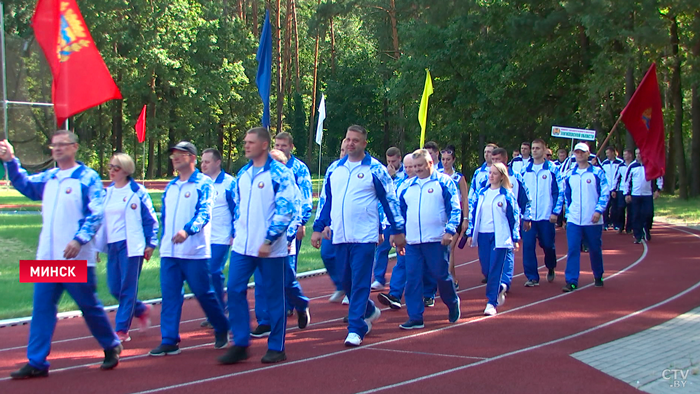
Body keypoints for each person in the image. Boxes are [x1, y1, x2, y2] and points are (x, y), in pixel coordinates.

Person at [1, 132, 122, 378]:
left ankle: (110, 344)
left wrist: (79, 239)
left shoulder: (87, 177)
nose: (56, 149)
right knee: (42, 308)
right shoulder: (51, 177)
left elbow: (97, 214)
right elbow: (24, 184)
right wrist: (11, 160)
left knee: (89, 306)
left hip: (75, 258)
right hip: (46, 256)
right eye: (53, 145)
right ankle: (36, 362)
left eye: (62, 145)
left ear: (74, 147)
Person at [312, 125, 406, 347]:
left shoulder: (376, 170)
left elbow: (390, 201)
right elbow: (327, 200)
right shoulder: (335, 169)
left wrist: (397, 230)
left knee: (360, 281)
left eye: (355, 140)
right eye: (348, 139)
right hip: (340, 235)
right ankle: (369, 310)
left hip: (365, 236)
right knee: (346, 281)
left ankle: (356, 327)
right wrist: (318, 227)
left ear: (364, 143)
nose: (350, 143)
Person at [218, 128, 297, 365]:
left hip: (270, 249)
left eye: (251, 142)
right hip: (243, 246)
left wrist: (269, 239)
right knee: (234, 289)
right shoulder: (243, 174)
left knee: (274, 296)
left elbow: (286, 210)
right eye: (245, 141)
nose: (246, 145)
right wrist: (236, 233)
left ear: (264, 145)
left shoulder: (279, 174)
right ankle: (241, 342)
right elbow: (238, 208)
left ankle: (277, 346)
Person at [150, 141, 229, 356]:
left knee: (204, 293)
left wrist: (187, 231)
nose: (175, 157)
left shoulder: (203, 184)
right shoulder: (171, 186)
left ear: (192, 158)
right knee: (170, 296)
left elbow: (205, 213)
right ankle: (169, 339)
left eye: (181, 154)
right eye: (173, 154)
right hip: (170, 252)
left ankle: (221, 326)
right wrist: (162, 241)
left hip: (194, 251)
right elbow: (165, 218)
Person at [94, 153, 158, 342]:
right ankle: (141, 309)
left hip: (132, 245)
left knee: (128, 287)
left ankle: (122, 329)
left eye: (116, 168)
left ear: (126, 170)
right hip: (112, 245)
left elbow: (150, 219)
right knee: (114, 287)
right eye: (110, 166)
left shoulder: (137, 192)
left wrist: (150, 243)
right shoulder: (108, 192)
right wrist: (97, 246)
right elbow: (100, 221)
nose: (111, 171)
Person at [397, 149, 461, 329]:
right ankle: (415, 316)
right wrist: (399, 234)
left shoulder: (444, 182)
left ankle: (452, 301)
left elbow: (455, 209)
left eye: (420, 166)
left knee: (441, 276)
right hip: (413, 242)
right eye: (414, 166)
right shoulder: (406, 186)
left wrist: (450, 230)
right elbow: (400, 213)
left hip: (436, 240)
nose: (417, 169)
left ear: (430, 164)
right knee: (412, 278)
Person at [250, 149, 310, 339]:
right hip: (260, 244)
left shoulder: (291, 189)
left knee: (284, 283)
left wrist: (289, 239)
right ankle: (265, 321)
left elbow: (294, 216)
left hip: (283, 244)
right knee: (260, 282)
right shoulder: (258, 185)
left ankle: (299, 305)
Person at [377, 154, 437, 310]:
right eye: (408, 167)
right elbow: (397, 210)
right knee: (402, 262)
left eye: (413, 166)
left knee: (428, 264)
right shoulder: (403, 185)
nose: (411, 169)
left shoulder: (437, 182)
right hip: (406, 232)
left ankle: (429, 293)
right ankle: (395, 295)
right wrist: (395, 231)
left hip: (428, 233)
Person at [463, 163, 521, 316]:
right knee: (486, 268)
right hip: (483, 234)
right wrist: (470, 233)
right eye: (490, 173)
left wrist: (515, 237)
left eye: (495, 173)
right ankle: (500, 287)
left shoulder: (507, 195)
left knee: (495, 269)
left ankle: (491, 302)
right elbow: (475, 213)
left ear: (502, 176)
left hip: (499, 236)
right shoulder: (482, 192)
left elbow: (513, 217)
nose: (491, 176)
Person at [553, 142, 609, 292]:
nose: (579, 155)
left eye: (582, 152)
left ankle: (598, 275)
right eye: (577, 152)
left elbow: (605, 192)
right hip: (574, 219)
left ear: (588, 154)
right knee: (572, 249)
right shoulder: (569, 174)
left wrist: (598, 210)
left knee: (595, 249)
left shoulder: (597, 173)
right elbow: (566, 196)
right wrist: (566, 214)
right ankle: (571, 280)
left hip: (593, 219)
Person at [199, 148, 235, 329]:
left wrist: (234, 233)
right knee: (204, 276)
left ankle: (220, 311)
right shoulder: (199, 183)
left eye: (207, 161)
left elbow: (237, 209)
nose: (203, 165)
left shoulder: (229, 183)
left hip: (221, 237)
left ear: (217, 162)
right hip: (202, 238)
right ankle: (217, 309)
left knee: (214, 271)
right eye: (202, 161)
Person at [489, 148, 530, 292]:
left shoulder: (516, 177)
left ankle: (504, 282)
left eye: (498, 160)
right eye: (493, 160)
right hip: (489, 224)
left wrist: (526, 217)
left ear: (505, 161)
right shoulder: (485, 179)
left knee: (507, 251)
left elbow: (525, 199)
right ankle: (495, 278)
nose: (495, 163)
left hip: (509, 221)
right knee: (489, 256)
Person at [520, 139, 559, 286]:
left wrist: (555, 211)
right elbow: (520, 193)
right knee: (528, 245)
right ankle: (532, 276)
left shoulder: (552, 170)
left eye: (538, 148)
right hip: (529, 216)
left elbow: (557, 191)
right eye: (533, 148)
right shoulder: (524, 171)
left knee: (548, 244)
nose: (535, 150)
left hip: (546, 215)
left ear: (544, 150)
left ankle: (550, 266)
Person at [371, 146, 406, 291]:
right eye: (388, 161)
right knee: (381, 249)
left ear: (399, 159)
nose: (391, 164)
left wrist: (393, 176)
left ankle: (401, 282)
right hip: (386, 219)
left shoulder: (407, 172)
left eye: (394, 161)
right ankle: (379, 278)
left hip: (401, 219)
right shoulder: (384, 173)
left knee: (402, 251)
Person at [439, 145, 468, 288]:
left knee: (450, 247)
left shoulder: (458, 178)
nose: (445, 162)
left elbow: (465, 198)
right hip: (440, 216)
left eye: (448, 159)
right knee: (442, 249)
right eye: (443, 159)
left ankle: (450, 279)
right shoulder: (437, 175)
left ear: (453, 160)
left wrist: (466, 219)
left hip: (455, 216)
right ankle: (451, 277)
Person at [468, 143, 497, 283]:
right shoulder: (478, 172)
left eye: (490, 152)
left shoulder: (504, 173)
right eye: (485, 152)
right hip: (481, 214)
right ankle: (488, 273)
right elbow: (473, 190)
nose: (487, 154)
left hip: (497, 215)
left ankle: (498, 277)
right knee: (484, 253)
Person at [323, 141, 348, 303]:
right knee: (326, 253)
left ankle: (353, 292)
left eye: (347, 150)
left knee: (350, 260)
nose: (344, 153)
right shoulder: (333, 168)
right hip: (333, 221)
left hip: (355, 225)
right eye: (341, 150)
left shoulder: (368, 168)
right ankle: (341, 285)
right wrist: (323, 223)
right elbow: (326, 198)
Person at [622, 148, 662, 244]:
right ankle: (638, 236)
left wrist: (658, 190)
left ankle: (646, 229)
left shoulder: (651, 165)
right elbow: (626, 181)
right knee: (635, 215)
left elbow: (659, 176)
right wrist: (627, 194)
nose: (638, 155)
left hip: (647, 194)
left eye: (640, 153)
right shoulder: (632, 166)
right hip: (635, 195)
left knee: (648, 214)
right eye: (637, 154)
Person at [611, 149, 635, 234]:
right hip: (621, 190)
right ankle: (620, 226)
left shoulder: (634, 165)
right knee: (620, 208)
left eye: (626, 154)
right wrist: (614, 189)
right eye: (624, 154)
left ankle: (629, 227)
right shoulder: (620, 166)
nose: (625, 156)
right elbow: (616, 178)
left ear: (630, 155)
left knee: (631, 209)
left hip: (632, 190)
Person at [600, 146, 623, 231]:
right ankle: (605, 223)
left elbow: (620, 176)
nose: (607, 155)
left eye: (608, 153)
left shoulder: (620, 163)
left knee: (616, 208)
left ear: (613, 153)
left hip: (616, 189)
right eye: (606, 153)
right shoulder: (604, 163)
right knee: (605, 207)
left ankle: (615, 223)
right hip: (607, 188)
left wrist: (615, 188)